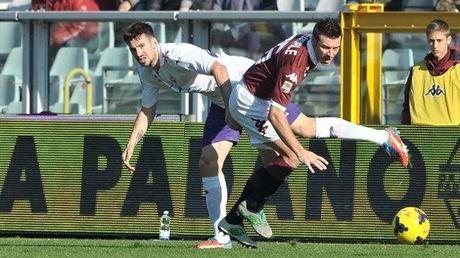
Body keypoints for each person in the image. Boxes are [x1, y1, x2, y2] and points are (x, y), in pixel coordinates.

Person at [120, 22, 322, 250]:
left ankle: (254, 204)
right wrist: (131, 144)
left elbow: (219, 69)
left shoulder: (177, 54)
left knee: (291, 143)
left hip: (248, 87)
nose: (139, 53)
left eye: (142, 46)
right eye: (133, 49)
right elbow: (148, 109)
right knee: (208, 161)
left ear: (154, 42)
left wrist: (231, 109)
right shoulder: (146, 72)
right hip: (221, 100)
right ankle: (222, 235)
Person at [218, 18, 411, 248]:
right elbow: (275, 116)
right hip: (250, 102)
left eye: (335, 48)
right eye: (325, 48)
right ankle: (246, 211)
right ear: (313, 40)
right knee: (290, 158)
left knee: (306, 128)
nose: (330, 54)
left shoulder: (307, 45)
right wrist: (302, 153)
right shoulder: (295, 64)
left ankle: (383, 137)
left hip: (263, 95)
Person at [401, 19, 460, 125]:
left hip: (453, 138)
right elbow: (406, 108)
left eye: (439, 40)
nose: (435, 45)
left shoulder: (458, 69)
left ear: (449, 39)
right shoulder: (416, 70)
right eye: (431, 41)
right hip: (419, 137)